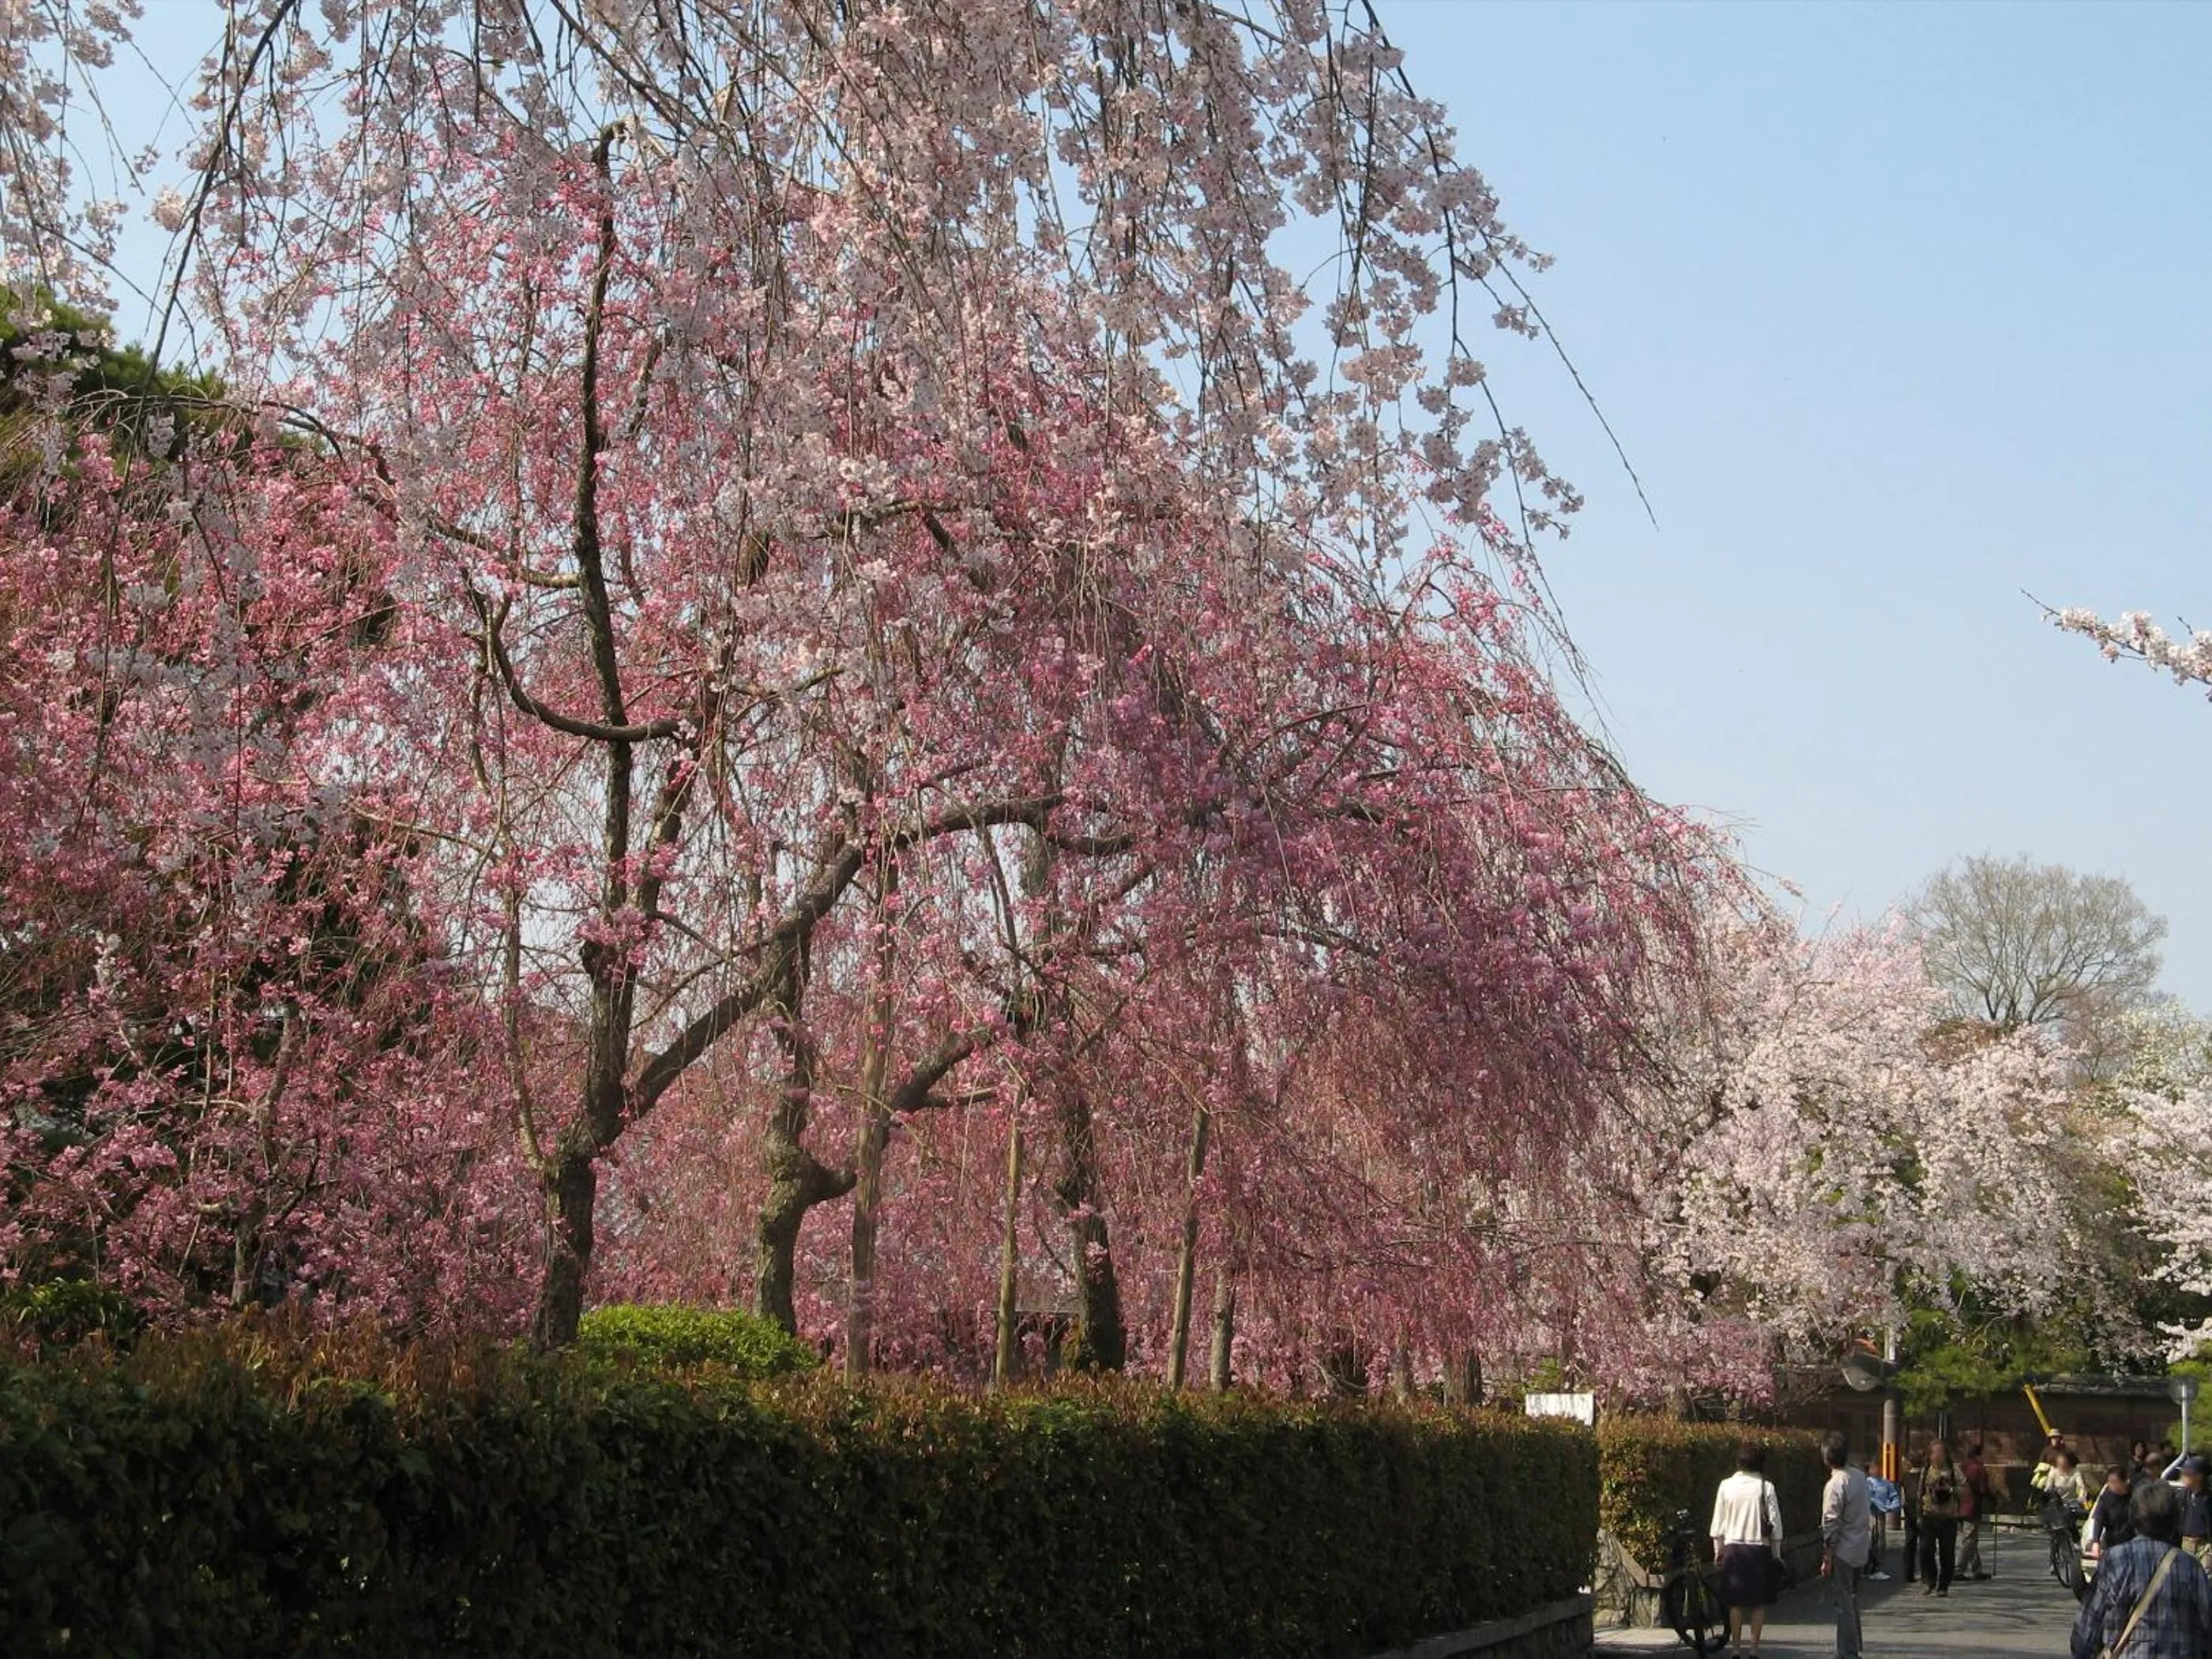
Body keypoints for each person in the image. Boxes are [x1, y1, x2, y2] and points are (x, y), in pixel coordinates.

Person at [2070, 1478, 2212, 1659]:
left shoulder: (2116, 1560)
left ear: (2133, 1518)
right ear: (2175, 1520)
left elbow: (2086, 1631)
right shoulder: (2192, 1567)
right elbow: (2207, 1628)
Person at [1711, 1439, 1787, 1659]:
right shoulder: (1766, 1487)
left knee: (1735, 1603)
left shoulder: (1726, 1486)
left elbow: (1718, 1524)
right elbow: (1775, 1525)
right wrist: (1777, 1555)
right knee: (1758, 1603)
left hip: (1733, 1549)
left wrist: (1718, 1551)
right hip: (1759, 1550)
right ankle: (1754, 1649)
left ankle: (1735, 1649)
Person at [1820, 1433, 1874, 1659]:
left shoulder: (1835, 1484)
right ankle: (1853, 1646)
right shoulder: (1860, 1477)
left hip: (1843, 1549)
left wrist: (1827, 1556)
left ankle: (1848, 1651)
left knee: (1843, 1602)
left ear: (1826, 1458)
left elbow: (1831, 1523)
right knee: (1852, 1599)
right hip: (1861, 1545)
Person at [1917, 1438, 1964, 1596]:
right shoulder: (1926, 1470)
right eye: (1934, 1453)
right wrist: (1919, 1511)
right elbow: (1919, 1492)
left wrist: (1950, 1489)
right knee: (1926, 1550)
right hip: (1928, 1515)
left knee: (1947, 1552)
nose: (1937, 1456)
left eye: (1941, 1453)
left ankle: (1943, 1585)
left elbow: (1965, 1490)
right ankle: (1929, 1580)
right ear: (1929, 1455)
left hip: (1948, 1517)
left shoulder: (1954, 1470)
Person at [1958, 1439, 1992, 1582]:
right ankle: (1958, 1569)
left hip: (1959, 1507)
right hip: (1972, 1507)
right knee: (1969, 1540)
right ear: (1979, 1455)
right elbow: (1983, 1490)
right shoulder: (1979, 1469)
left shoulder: (1962, 1467)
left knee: (1971, 1538)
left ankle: (1977, 1569)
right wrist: (1993, 1500)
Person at [2089, 1466, 2139, 1559]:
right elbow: (2099, 1520)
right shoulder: (2105, 1499)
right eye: (2110, 1482)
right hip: (2112, 1542)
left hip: (2132, 1542)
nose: (2112, 1485)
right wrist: (2096, 1542)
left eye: (2115, 1482)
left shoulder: (2135, 1496)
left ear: (2125, 1481)